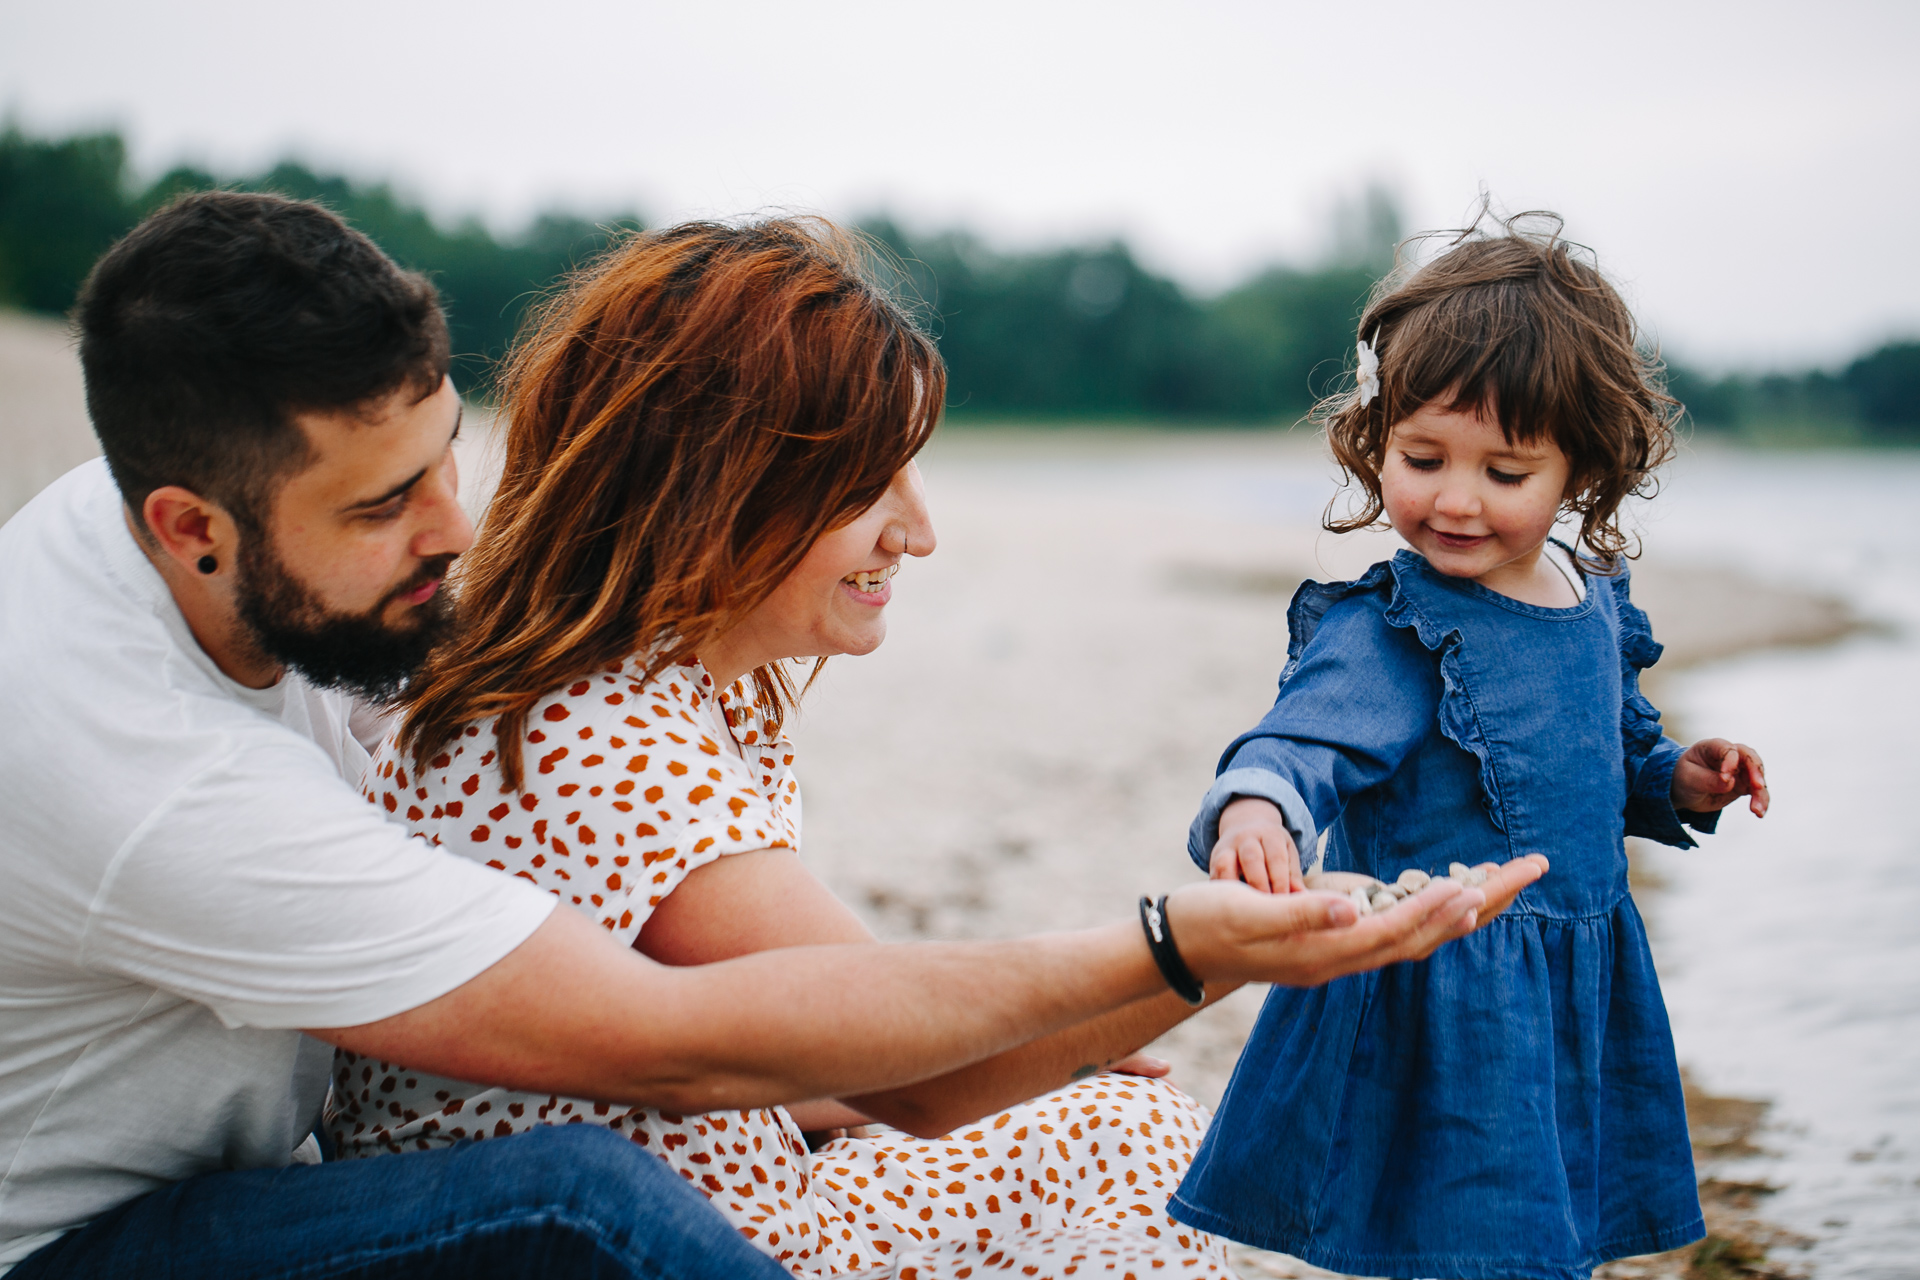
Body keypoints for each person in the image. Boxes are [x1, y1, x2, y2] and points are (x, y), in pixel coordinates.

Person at [0, 192, 1539, 1280]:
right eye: (385, 506)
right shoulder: (187, 770)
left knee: (1110, 1129)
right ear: (188, 527)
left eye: (440, 463)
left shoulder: (274, 568)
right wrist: (1188, 949)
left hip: (299, 1173)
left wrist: (1102, 1031)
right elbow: (703, 1054)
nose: (454, 534)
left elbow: (795, 1056)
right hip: (93, 1242)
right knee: (1096, 1157)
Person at [1170, 214, 1770, 1279]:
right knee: (1474, 1239)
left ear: (1579, 469)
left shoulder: (1592, 601)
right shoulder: (1393, 624)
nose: (1454, 499)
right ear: (1375, 438)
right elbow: (1302, 739)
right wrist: (1258, 807)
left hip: (1572, 978)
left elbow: (1610, 753)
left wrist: (1679, 776)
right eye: (1423, 456)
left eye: (1505, 471)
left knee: (1556, 1226)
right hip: (1451, 993)